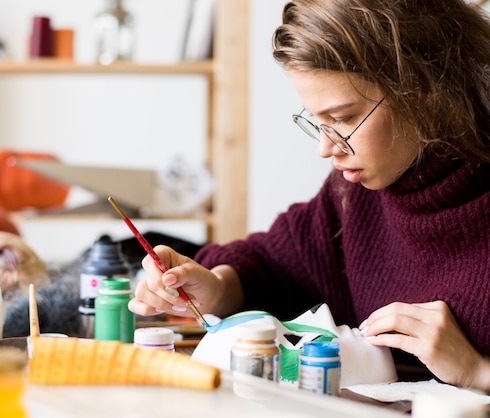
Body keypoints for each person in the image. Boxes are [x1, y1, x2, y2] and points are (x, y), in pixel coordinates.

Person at [128, 0, 490, 393]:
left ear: (426, 89)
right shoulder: (355, 194)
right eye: (317, 121)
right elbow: (273, 265)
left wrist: (477, 371)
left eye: (343, 118)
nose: (325, 146)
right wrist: (215, 288)